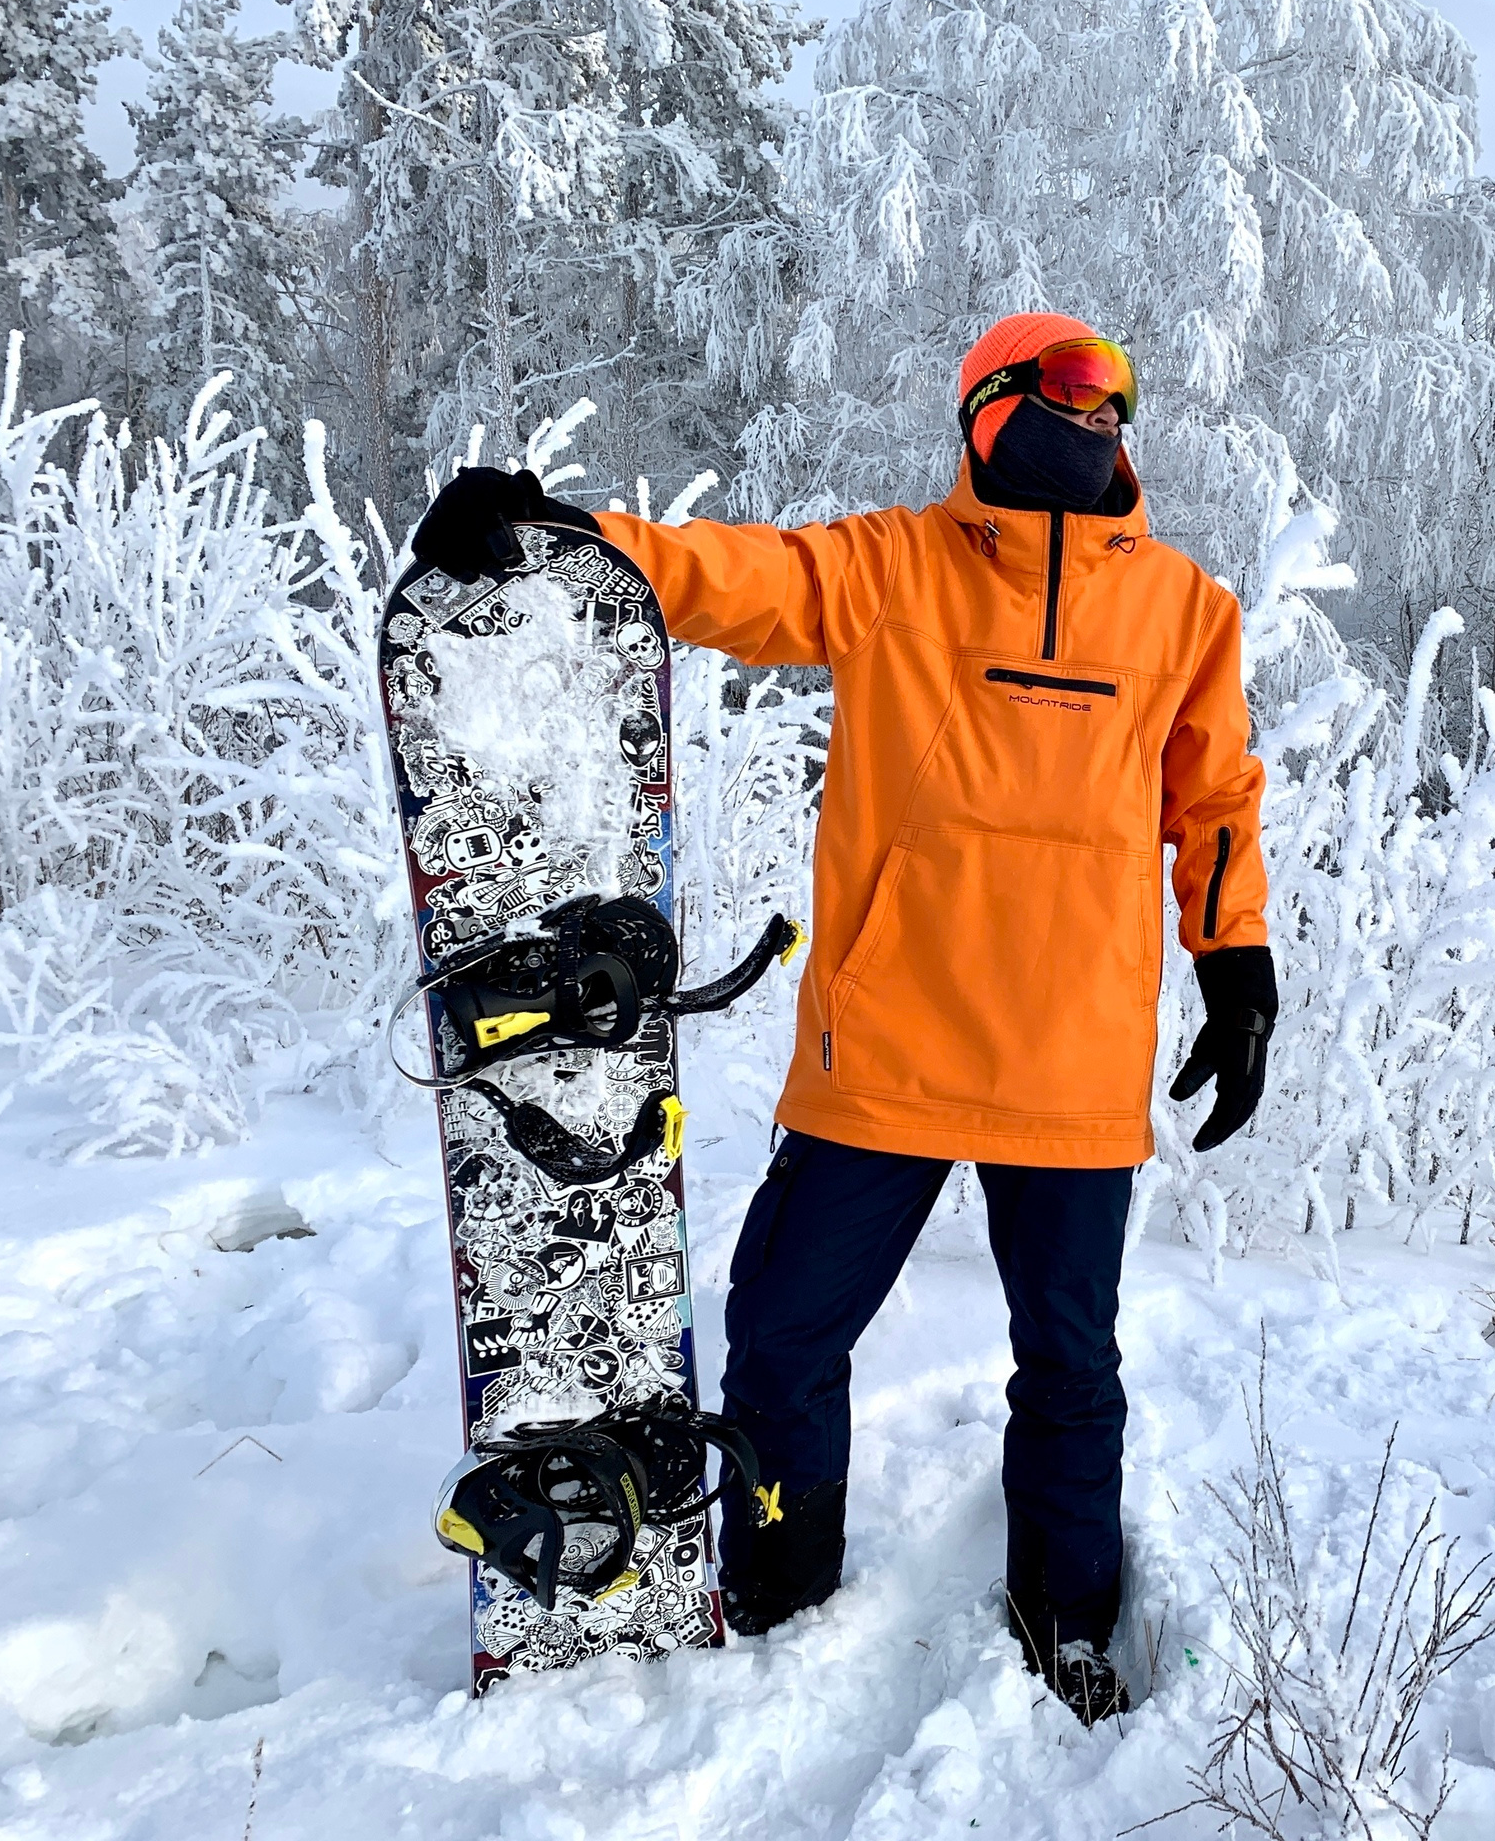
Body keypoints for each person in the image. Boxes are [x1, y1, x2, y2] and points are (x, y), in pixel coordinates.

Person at [412, 313, 1276, 1724]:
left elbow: (1215, 802)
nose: (1094, 411)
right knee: (783, 1335)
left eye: (1114, 394)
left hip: (1071, 1065)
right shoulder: (890, 568)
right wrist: (565, 531)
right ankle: (780, 1583)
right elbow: (732, 575)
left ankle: (1069, 1615)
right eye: (1063, 386)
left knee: (1073, 1367)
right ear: (988, 410)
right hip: (888, 1048)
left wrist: (1239, 969)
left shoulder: (1186, 609)